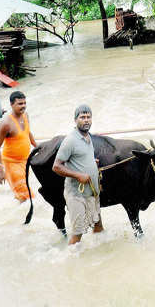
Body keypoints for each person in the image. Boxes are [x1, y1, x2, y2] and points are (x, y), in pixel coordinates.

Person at [52, 105, 103, 245]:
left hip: (92, 192)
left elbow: (80, 157)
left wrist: (92, 162)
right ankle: (72, 260)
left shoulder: (87, 137)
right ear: (75, 120)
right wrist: (78, 175)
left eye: (88, 117)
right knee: (77, 234)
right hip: (77, 195)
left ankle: (101, 251)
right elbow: (56, 166)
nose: (86, 120)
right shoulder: (70, 140)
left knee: (98, 225)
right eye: (82, 117)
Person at [0, 91, 37, 202]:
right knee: (29, 197)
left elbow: (28, 132)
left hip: (25, 161)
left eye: (24, 103)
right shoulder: (6, 124)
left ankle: (20, 215)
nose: (23, 106)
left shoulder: (26, 115)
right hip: (11, 164)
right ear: (11, 104)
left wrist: (37, 146)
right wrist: (0, 170)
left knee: (22, 195)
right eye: (20, 104)